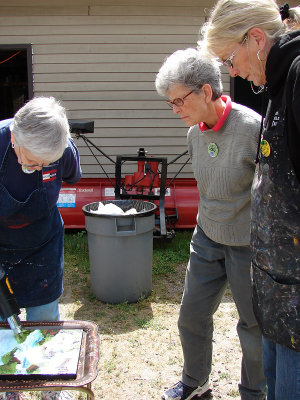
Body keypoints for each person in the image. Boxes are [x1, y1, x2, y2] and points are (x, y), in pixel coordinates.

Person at [199, 1, 300, 399]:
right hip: (275, 287)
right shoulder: (275, 85)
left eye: (230, 58)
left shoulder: (297, 77)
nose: (233, 71)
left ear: (256, 38)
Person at [155, 48, 266, 400]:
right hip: (207, 237)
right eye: (170, 103)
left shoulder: (253, 129)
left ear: (205, 91)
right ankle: (195, 383)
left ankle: (254, 392)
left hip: (247, 243)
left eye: (178, 101)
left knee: (252, 327)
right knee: (191, 315)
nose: (175, 110)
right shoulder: (193, 135)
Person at [0, 97, 81, 400]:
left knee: (45, 318)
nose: (37, 170)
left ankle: (50, 387)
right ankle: (10, 387)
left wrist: (46, 166)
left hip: (43, 243)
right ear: (13, 140)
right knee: (2, 325)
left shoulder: (63, 149)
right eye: (31, 162)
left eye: (45, 165)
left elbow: (70, 176)